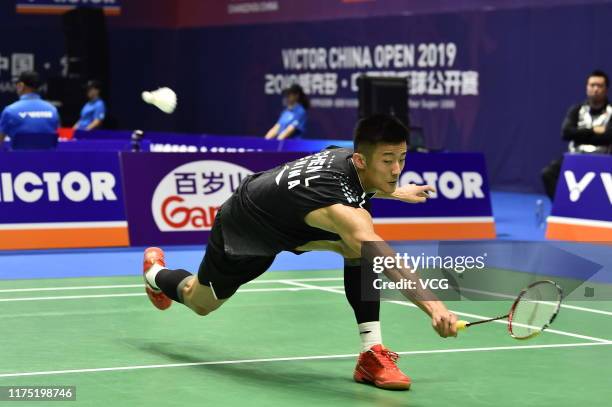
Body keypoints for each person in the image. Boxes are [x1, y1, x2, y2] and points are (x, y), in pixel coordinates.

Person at [143, 114, 458, 391]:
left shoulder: (344, 157)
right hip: (245, 226)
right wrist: (435, 308)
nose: (396, 168)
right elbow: (386, 257)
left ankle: (371, 353)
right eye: (387, 160)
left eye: (401, 158)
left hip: (287, 221)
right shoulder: (341, 206)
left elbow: (352, 185)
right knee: (200, 301)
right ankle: (155, 274)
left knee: (356, 246)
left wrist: (397, 192)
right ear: (362, 160)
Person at [542, 70, 612, 200]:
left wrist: (580, 133)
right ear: (587, 87)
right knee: (548, 173)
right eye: (592, 85)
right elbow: (566, 133)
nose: (595, 89)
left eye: (599, 85)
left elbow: (608, 136)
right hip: (576, 158)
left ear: (606, 89)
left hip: (603, 159)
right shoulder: (576, 109)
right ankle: (563, 207)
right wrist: (593, 130)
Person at [0, 71, 60, 145]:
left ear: (21, 85)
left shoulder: (10, 111)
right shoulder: (52, 110)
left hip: (19, 156)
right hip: (47, 156)